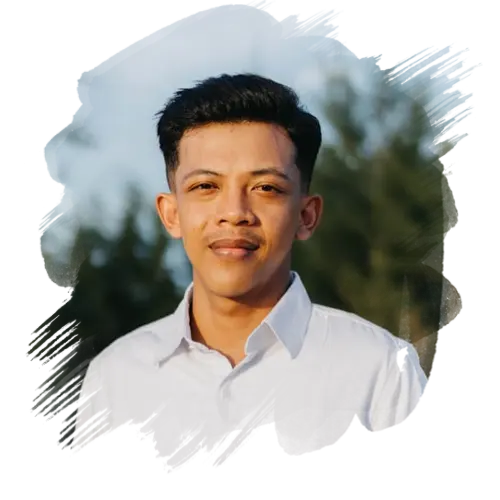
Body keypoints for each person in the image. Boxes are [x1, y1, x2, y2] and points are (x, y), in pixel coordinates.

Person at [71, 73, 430, 474]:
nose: (235, 213)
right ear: (171, 214)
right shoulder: (115, 376)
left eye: (266, 188)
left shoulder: (379, 368)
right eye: (206, 186)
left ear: (306, 215)